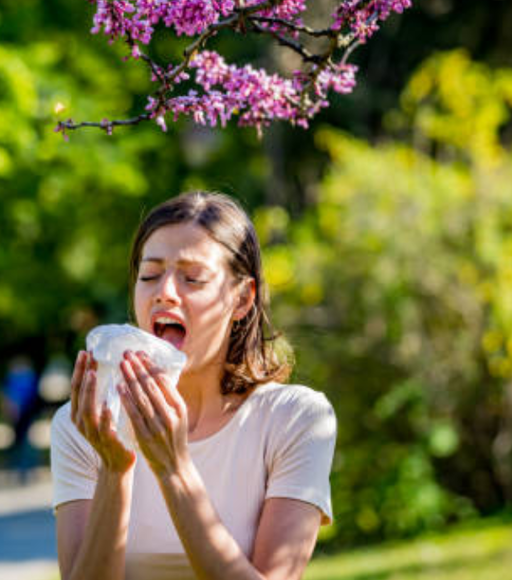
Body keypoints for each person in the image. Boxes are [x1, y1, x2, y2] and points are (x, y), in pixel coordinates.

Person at [51, 192, 337, 580]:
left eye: (193, 278)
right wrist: (114, 469)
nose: (164, 292)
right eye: (149, 276)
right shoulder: (83, 427)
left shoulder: (295, 419)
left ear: (242, 299)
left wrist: (173, 467)